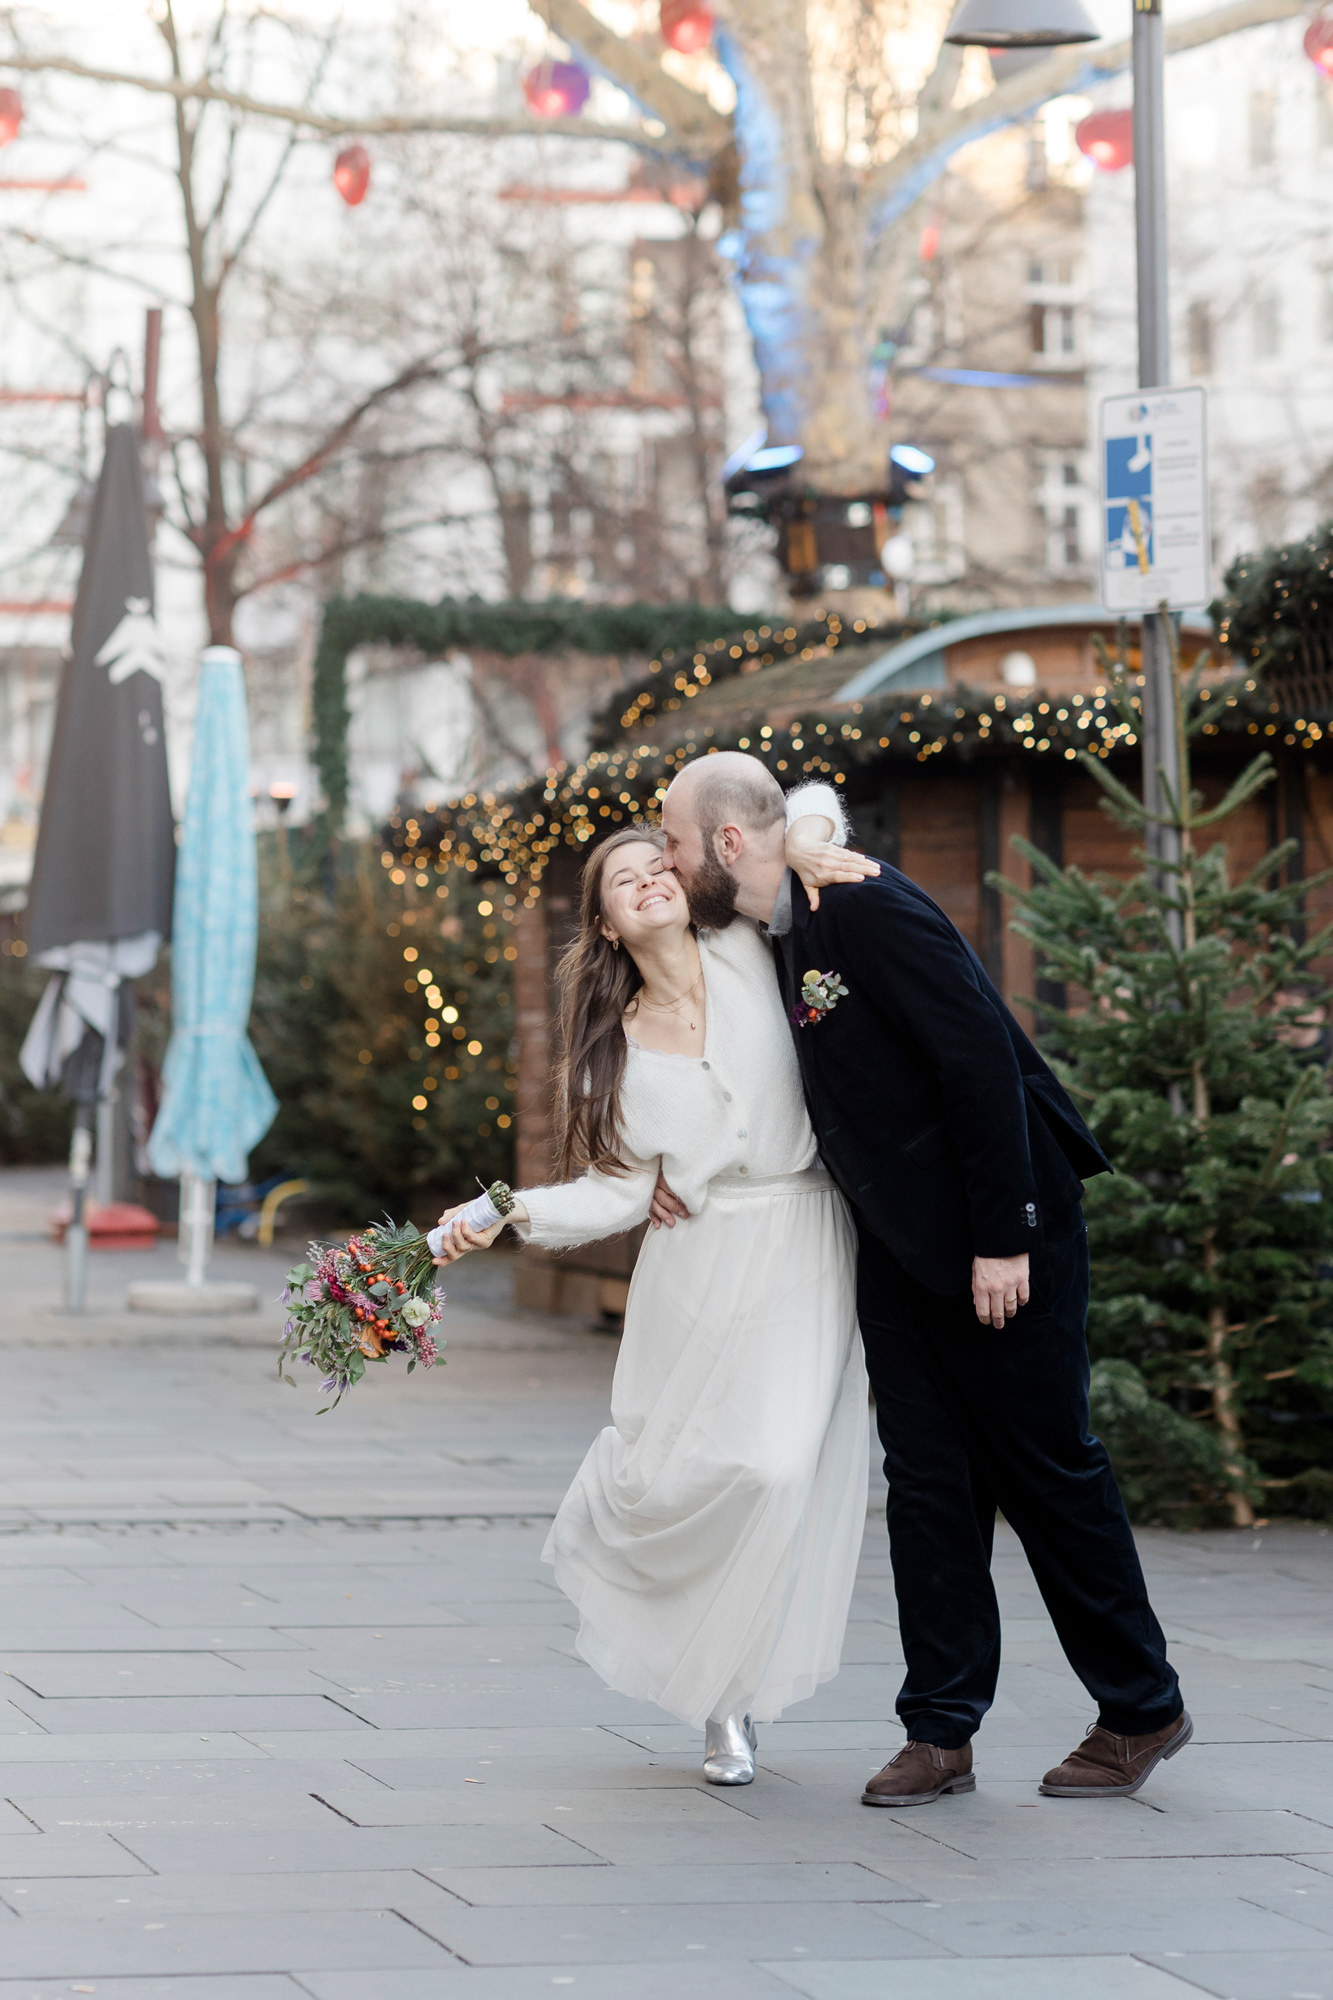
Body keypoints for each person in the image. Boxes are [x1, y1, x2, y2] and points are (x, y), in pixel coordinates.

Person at [654, 752, 1189, 1807]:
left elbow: (978, 1060)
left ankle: (1141, 1707)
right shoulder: (774, 921)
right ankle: (940, 1731)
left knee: (1046, 1470)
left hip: (1003, 1235)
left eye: (672, 840)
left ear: (726, 842)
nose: (665, 860)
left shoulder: (864, 906)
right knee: (928, 1488)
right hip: (897, 1248)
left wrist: (1004, 1237)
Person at [433, 797, 877, 1786]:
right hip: (695, 1264)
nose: (647, 881)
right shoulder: (613, 1047)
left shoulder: (749, 947)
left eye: (656, 865)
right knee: (695, 1476)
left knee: (772, 1470)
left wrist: (809, 840)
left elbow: (800, 801)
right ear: (605, 923)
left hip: (805, 1242)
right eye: (622, 881)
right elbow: (618, 1191)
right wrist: (504, 1213)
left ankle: (733, 1681)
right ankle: (724, 1701)